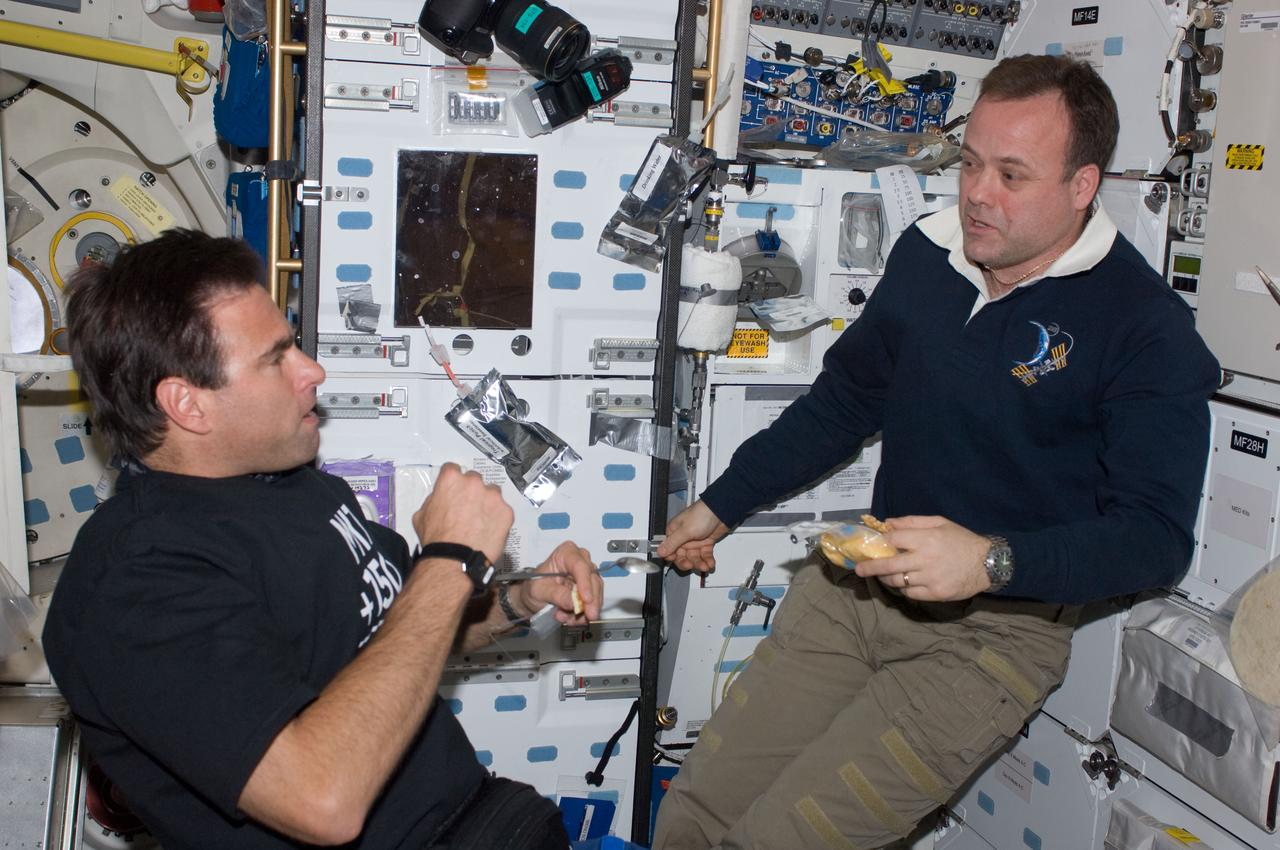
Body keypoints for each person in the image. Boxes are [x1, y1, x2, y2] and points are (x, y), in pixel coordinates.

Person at [651, 54, 1221, 850]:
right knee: (695, 813)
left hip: (992, 639)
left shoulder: (1144, 326)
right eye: (971, 163)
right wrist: (720, 504)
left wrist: (991, 561)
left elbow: (1155, 538)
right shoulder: (930, 251)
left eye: (1011, 176)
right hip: (857, 589)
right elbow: (846, 401)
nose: (978, 193)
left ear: (1082, 186)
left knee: (779, 840)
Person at [41, 229, 603, 849]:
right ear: (187, 405)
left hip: (488, 822)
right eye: (275, 357)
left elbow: (402, 635)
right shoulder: (133, 583)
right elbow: (322, 801)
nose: (313, 370)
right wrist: (449, 559)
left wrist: (520, 598)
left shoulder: (290, 484)